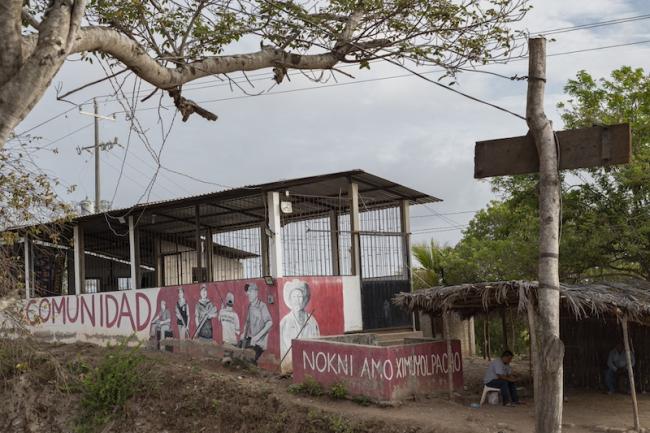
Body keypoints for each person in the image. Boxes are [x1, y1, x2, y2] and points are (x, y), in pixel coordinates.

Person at [280, 279, 320, 368]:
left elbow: (317, 343)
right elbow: (283, 348)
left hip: (309, 363)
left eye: (300, 296)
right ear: (290, 299)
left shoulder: (311, 321)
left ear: (304, 299)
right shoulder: (285, 322)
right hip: (291, 364)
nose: (297, 300)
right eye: (294, 297)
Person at [240, 283, 272, 364]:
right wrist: (244, 333)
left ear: (256, 293)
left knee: (249, 359)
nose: (249, 294)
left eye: (251, 291)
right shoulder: (250, 306)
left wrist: (257, 337)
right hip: (251, 339)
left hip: (260, 343)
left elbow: (269, 323)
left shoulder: (262, 306)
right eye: (248, 292)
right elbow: (248, 322)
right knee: (238, 351)